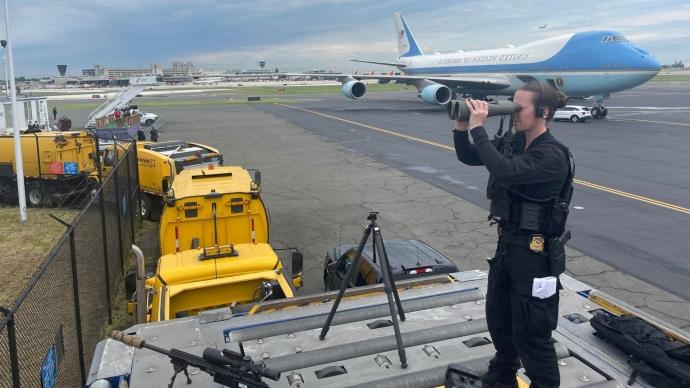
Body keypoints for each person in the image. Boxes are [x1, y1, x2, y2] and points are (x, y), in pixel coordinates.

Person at [453, 81, 573, 388]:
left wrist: (480, 129)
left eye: (520, 108)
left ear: (543, 112)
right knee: (500, 317)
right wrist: (463, 124)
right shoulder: (515, 143)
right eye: (512, 106)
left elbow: (506, 171)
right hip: (509, 245)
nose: (515, 113)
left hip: (536, 255)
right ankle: (503, 374)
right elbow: (470, 157)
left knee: (532, 332)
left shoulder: (553, 155)